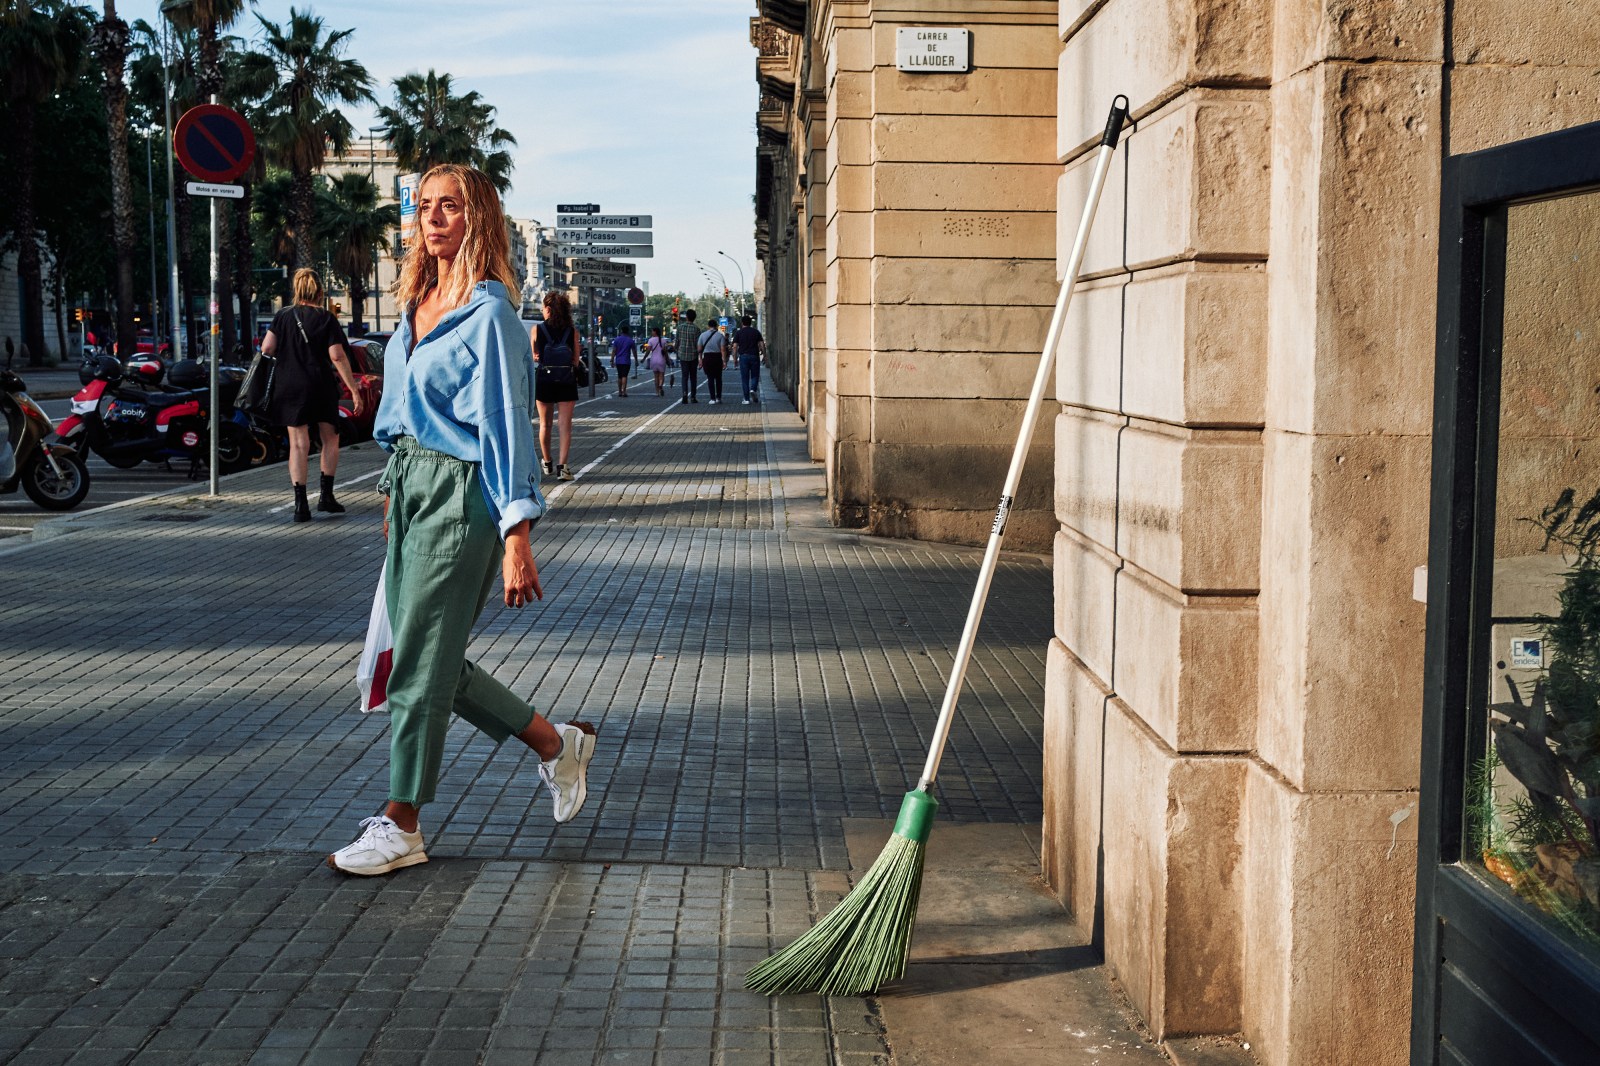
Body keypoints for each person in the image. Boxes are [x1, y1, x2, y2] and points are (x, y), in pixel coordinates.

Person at [328, 163, 597, 878]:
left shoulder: (492, 316)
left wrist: (517, 533)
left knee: (415, 663)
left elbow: (507, 427)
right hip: (411, 491)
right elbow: (393, 417)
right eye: (425, 207)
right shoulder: (415, 305)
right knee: (429, 655)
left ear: (479, 216)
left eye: (451, 206)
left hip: (464, 494)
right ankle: (555, 744)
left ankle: (403, 819)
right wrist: (391, 499)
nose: (435, 217)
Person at [261, 269, 364, 522]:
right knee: (330, 438)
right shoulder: (325, 318)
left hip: (289, 386)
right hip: (320, 385)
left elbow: (267, 348)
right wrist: (353, 389)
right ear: (319, 291)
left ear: (297, 291)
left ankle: (300, 506)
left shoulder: (283, 316)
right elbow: (337, 356)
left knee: (298, 443)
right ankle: (326, 497)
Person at [532, 291, 580, 481]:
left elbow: (535, 355)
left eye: (543, 308)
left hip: (544, 379)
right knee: (565, 426)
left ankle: (547, 461)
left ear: (549, 309)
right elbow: (576, 360)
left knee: (545, 424)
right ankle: (563, 468)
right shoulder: (572, 331)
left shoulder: (537, 329)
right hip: (566, 380)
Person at [732, 315, 766, 404]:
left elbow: (735, 347)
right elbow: (762, 344)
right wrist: (765, 355)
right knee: (755, 375)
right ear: (750, 323)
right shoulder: (756, 332)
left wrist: (735, 359)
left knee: (745, 378)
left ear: (742, 323)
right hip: (754, 356)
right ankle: (753, 389)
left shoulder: (739, 333)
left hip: (743, 357)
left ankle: (746, 399)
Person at [698, 318, 730, 405]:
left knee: (710, 378)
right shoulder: (720, 336)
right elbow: (723, 350)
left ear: (708, 326)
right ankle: (718, 398)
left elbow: (700, 349)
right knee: (719, 378)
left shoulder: (702, 335)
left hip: (707, 358)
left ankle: (712, 398)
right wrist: (724, 361)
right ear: (716, 326)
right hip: (717, 358)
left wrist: (700, 359)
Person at [674, 309, 700, 404]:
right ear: (694, 318)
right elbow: (698, 344)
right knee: (693, 377)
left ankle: (684, 395)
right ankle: (693, 397)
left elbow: (677, 341)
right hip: (693, 355)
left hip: (683, 355)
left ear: (687, 317)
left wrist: (676, 350)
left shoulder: (680, 328)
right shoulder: (696, 329)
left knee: (684, 376)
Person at [610, 326, 636, 397]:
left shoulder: (617, 340)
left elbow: (614, 351)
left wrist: (612, 360)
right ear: (628, 331)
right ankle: (624, 391)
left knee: (619, 376)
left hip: (618, 361)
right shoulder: (630, 340)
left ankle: (619, 392)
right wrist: (636, 360)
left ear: (621, 331)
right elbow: (634, 351)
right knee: (624, 376)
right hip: (626, 361)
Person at [643, 326, 668, 396]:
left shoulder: (650, 340)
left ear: (655, 332)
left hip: (653, 360)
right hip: (662, 360)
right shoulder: (664, 340)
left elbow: (648, 351)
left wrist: (644, 358)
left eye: (652, 331)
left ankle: (657, 392)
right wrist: (668, 360)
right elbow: (665, 351)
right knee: (662, 375)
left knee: (656, 376)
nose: (651, 332)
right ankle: (660, 386)